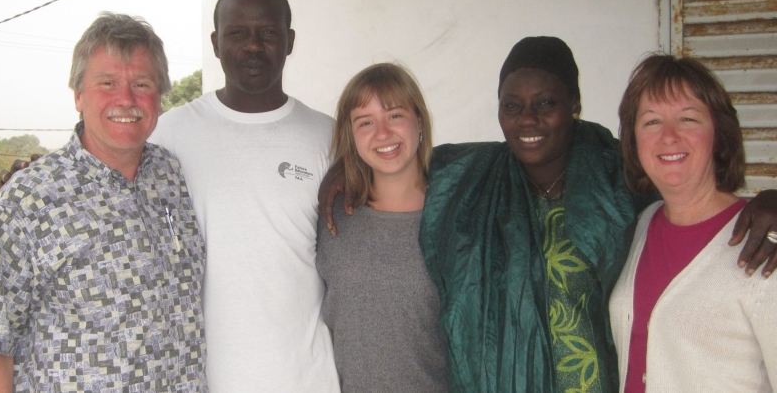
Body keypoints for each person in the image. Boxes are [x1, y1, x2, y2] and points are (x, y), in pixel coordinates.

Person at [320, 36, 777, 392]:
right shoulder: (468, 179)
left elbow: (694, 196)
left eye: (546, 103)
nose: (528, 120)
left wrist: (768, 201)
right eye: (512, 106)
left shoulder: (621, 181)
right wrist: (341, 169)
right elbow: (395, 161)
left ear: (574, 105)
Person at [0, 13, 207, 391]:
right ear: (79, 95)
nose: (126, 99)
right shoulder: (26, 201)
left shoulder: (173, 176)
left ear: (159, 98)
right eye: (108, 83)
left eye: (142, 84)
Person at [148, 0, 339, 390]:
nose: (253, 46)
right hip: (201, 380)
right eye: (238, 33)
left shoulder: (329, 138)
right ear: (216, 43)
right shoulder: (170, 135)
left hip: (306, 380)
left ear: (289, 41)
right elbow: (107, 189)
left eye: (268, 33)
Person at [609, 55, 777, 391]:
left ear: (718, 133)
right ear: (634, 141)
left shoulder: (764, 242)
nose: (669, 136)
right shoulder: (642, 223)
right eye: (652, 122)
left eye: (688, 118)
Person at [315, 63, 448, 392]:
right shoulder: (333, 216)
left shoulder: (454, 219)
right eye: (365, 122)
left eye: (395, 115)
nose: (383, 133)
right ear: (351, 135)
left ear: (419, 120)